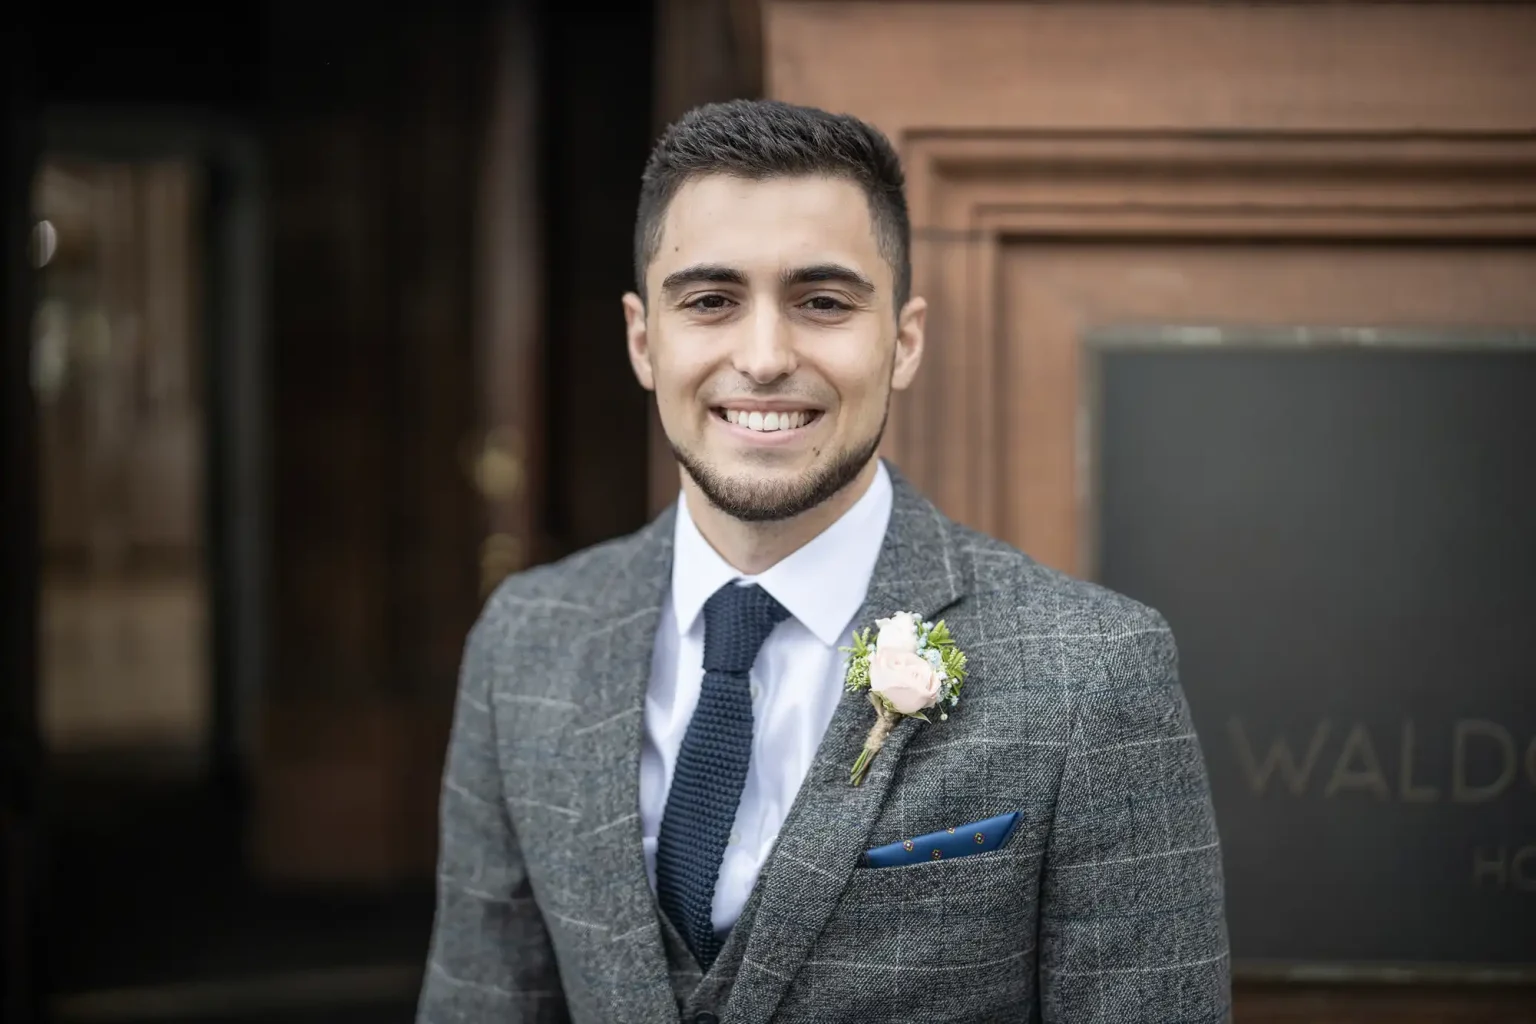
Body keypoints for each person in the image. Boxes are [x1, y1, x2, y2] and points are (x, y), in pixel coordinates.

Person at [417, 99, 1229, 1024]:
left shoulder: (1094, 672)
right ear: (645, 340)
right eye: (711, 301)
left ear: (904, 340)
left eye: (824, 302)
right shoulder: (525, 643)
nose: (764, 358)